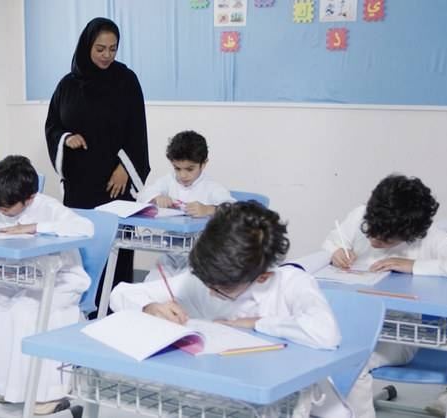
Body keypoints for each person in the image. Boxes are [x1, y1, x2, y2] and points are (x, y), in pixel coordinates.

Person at [110, 201, 352, 417]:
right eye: (207, 282)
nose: (210, 292)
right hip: (227, 399)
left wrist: (256, 323)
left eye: (221, 289)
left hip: (290, 403)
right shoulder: (204, 279)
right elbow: (120, 294)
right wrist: (149, 307)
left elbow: (326, 333)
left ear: (262, 276)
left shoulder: (291, 283)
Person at [321, 175, 447, 418]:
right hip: (351, 323)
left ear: (410, 235)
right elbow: (332, 241)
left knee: (351, 363)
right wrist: (335, 251)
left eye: (384, 239)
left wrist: (414, 265)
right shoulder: (359, 215)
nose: (373, 240)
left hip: (398, 335)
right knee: (317, 357)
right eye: (370, 231)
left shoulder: (428, 237)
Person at [0, 156, 94, 415]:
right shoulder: (0, 202)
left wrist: (34, 228)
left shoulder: (48, 207)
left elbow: (85, 227)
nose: (0, 211)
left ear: (29, 198)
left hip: (60, 281)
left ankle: (47, 394)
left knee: (24, 312)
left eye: (6, 207)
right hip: (21, 278)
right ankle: (10, 387)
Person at [45, 17, 150, 309]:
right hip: (80, 184)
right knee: (81, 248)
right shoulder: (68, 85)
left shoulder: (126, 80)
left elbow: (137, 130)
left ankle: (116, 310)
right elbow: (52, 125)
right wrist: (66, 138)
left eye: (112, 49)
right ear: (87, 46)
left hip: (115, 184)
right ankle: (80, 310)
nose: (107, 55)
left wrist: (126, 169)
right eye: (100, 49)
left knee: (116, 247)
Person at [137, 130, 235, 281]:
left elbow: (233, 209)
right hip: (170, 252)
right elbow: (143, 194)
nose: (183, 175)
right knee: (150, 285)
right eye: (177, 168)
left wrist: (208, 209)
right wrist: (156, 197)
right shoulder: (169, 181)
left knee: (186, 287)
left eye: (190, 169)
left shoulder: (211, 187)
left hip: (200, 256)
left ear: (204, 164)